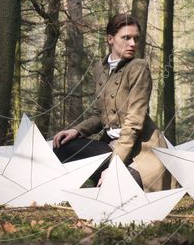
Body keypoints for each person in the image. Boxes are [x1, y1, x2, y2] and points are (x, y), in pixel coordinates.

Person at [52, 13, 169, 191]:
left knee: (114, 188)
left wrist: (114, 168)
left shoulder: (138, 67)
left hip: (140, 152)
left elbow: (134, 124)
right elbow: (100, 114)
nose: (132, 44)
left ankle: (112, 176)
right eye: (126, 38)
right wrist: (76, 130)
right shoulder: (100, 68)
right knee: (63, 147)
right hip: (111, 146)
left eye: (136, 39)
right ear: (110, 39)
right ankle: (103, 177)